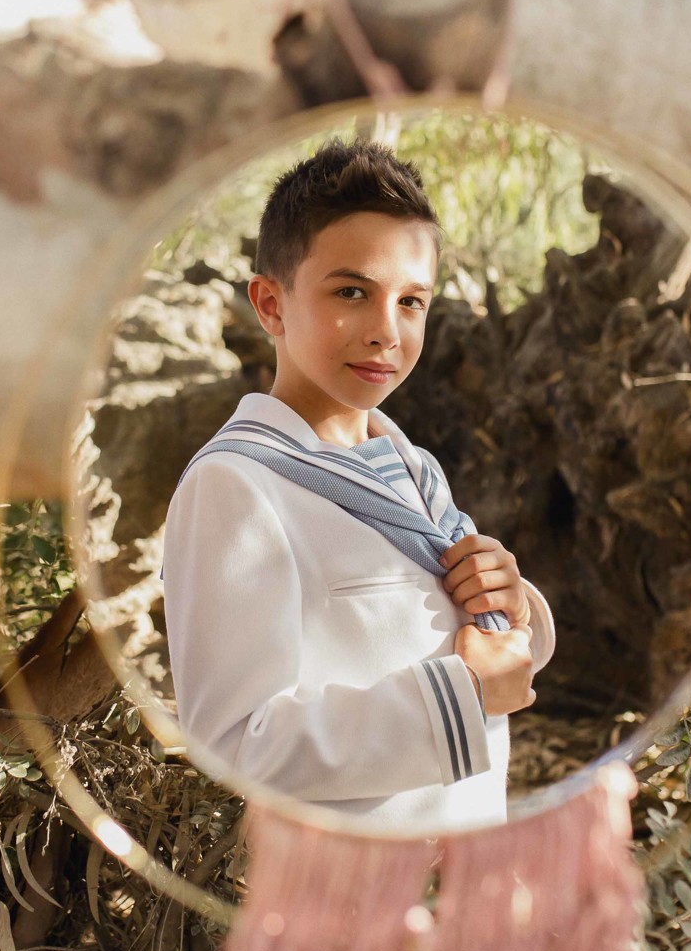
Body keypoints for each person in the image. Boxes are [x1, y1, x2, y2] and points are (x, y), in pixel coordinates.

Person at [158, 140, 556, 832]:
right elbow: (233, 743)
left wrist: (512, 606)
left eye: (412, 301)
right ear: (271, 303)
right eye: (352, 292)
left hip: (460, 881)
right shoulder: (234, 486)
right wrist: (458, 699)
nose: (386, 332)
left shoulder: (414, 468)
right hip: (346, 900)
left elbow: (458, 644)